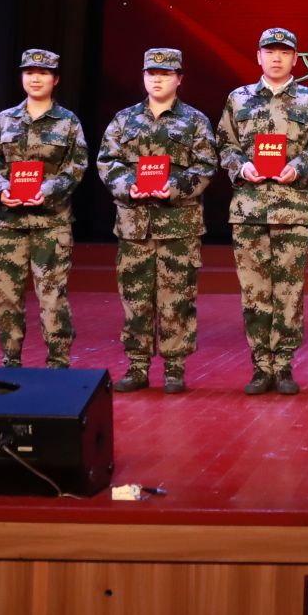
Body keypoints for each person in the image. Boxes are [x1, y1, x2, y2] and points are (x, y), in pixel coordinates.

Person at [96, 48, 218, 394]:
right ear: (144, 77)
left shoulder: (195, 121)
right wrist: (128, 185)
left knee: (177, 297)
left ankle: (175, 367)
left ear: (179, 79)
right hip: (134, 224)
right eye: (151, 73)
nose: (157, 79)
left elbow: (206, 165)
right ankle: (137, 365)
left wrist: (174, 188)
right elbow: (107, 161)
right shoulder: (124, 120)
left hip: (178, 223)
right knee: (135, 297)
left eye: (165, 74)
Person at [219, 28, 308, 395]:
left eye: (284, 52)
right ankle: (260, 366)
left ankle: (283, 365)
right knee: (254, 292)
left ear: (295, 58)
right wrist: (241, 167)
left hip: (291, 208)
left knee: (289, 292)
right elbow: (225, 144)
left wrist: (298, 167)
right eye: (270, 51)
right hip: (249, 209)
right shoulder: (238, 98)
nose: (277, 57)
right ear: (259, 56)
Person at [0, 48, 89, 369]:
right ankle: (10, 360)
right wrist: (3, 192)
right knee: (5, 296)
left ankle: (58, 363)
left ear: (55, 79)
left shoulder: (68, 122)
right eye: (29, 73)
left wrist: (47, 191)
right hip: (8, 223)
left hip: (51, 223)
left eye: (42, 73)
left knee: (52, 296)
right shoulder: (3, 121)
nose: (35, 78)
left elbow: (76, 168)